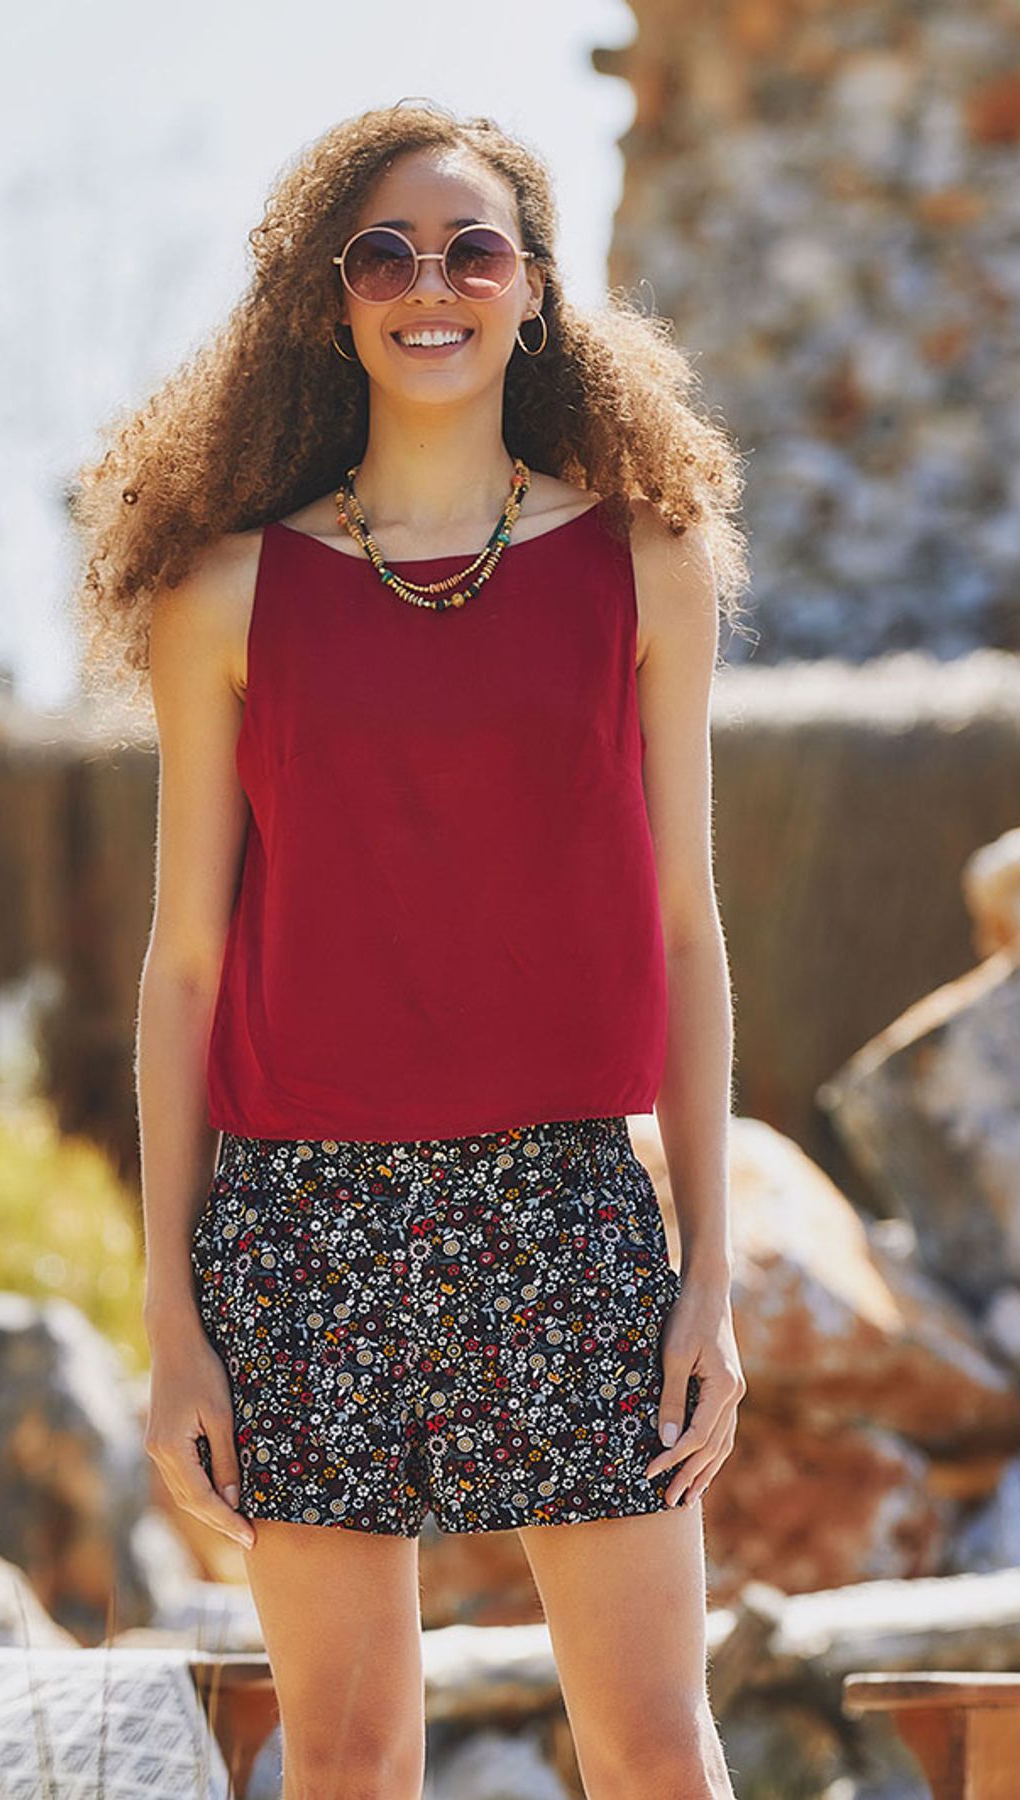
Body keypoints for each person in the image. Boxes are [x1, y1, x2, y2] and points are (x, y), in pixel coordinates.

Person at [71, 97, 749, 1800]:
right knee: (355, 1757)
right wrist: (172, 1318)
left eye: (472, 249)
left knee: (659, 1750)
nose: (427, 283)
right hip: (301, 1226)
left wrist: (709, 1276)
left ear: (534, 290)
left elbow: (687, 922)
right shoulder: (224, 594)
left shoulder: (644, 559)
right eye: (384, 252)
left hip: (566, 1208)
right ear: (330, 297)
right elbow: (183, 970)